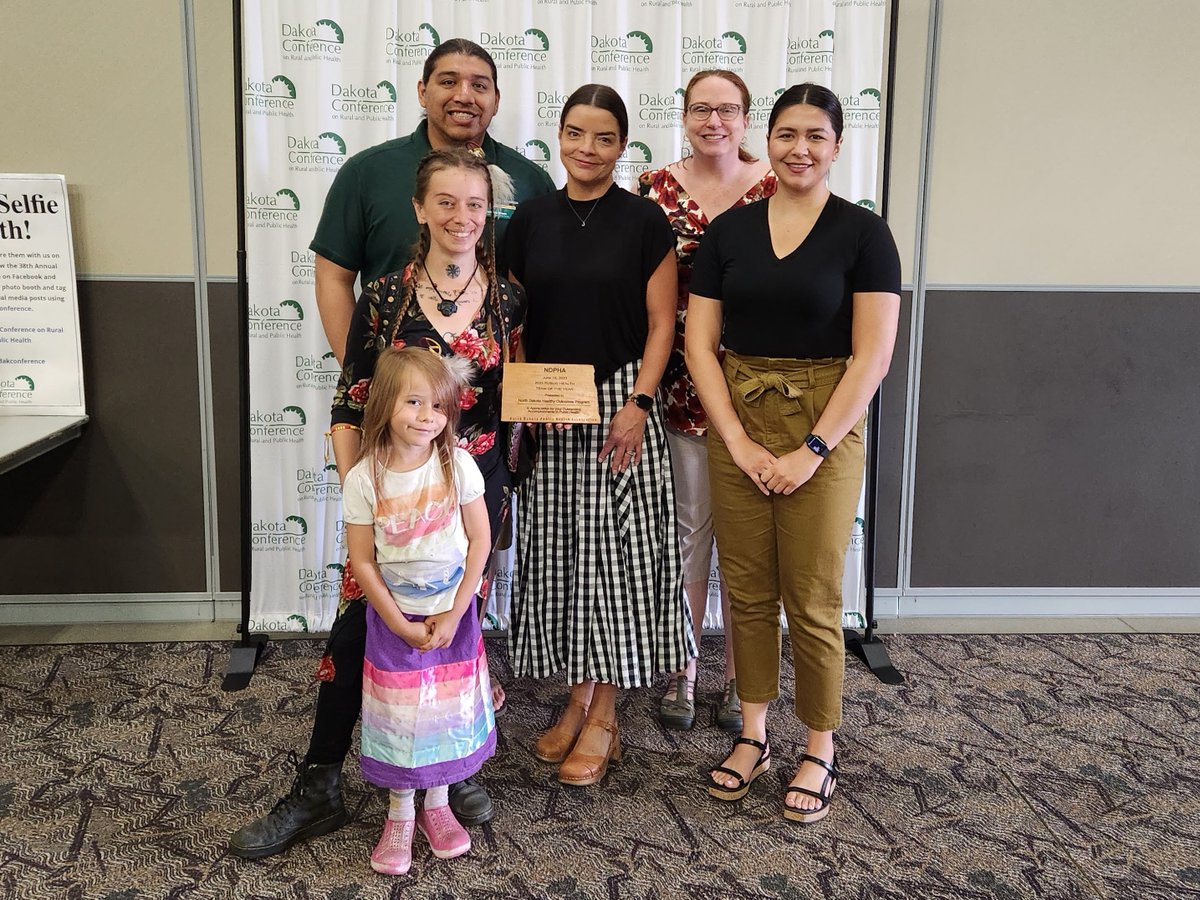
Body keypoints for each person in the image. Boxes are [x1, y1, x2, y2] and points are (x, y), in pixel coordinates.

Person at [229, 39, 553, 849]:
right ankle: (319, 781)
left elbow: (518, 402)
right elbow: (352, 398)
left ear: (490, 211)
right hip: (391, 490)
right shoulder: (382, 297)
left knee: (457, 630)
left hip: (473, 492)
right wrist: (362, 496)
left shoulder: (511, 301)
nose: (461, 216)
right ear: (419, 207)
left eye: (474, 204)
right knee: (359, 632)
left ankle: (452, 767)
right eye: (445, 202)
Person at [685, 83, 900, 823]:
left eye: (815, 135)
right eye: (786, 134)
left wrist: (812, 448)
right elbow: (700, 347)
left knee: (811, 596)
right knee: (746, 590)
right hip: (737, 420)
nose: (799, 148)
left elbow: (872, 357)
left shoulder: (864, 234)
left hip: (826, 423)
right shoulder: (728, 233)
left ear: (837, 146)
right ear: (766, 141)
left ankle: (819, 744)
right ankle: (753, 733)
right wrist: (737, 440)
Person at [504, 84, 696, 786]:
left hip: (620, 401)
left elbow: (662, 322)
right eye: (576, 134)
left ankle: (607, 716)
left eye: (605, 137)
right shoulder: (530, 218)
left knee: (614, 561)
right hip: (550, 406)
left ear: (622, 146)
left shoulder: (644, 220)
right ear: (559, 136)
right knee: (564, 556)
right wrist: (525, 396)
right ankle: (576, 698)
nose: (588, 149)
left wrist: (640, 402)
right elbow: (513, 317)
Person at [637, 69, 776, 733]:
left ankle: (745, 680)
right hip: (683, 389)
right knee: (690, 532)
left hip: (763, 387)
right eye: (700, 109)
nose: (713, 121)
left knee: (753, 544)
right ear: (685, 115)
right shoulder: (653, 191)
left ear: (747, 118)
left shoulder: (780, 187)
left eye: (727, 110)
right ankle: (685, 670)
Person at [341, 347, 493, 876]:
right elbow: (363, 560)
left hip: (453, 614)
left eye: (439, 405)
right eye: (413, 402)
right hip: (395, 618)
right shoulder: (365, 478)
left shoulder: (459, 465)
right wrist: (397, 623)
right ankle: (401, 812)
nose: (428, 416)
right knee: (399, 714)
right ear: (384, 402)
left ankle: (438, 803)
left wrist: (455, 612)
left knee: (447, 711)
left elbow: (480, 541)